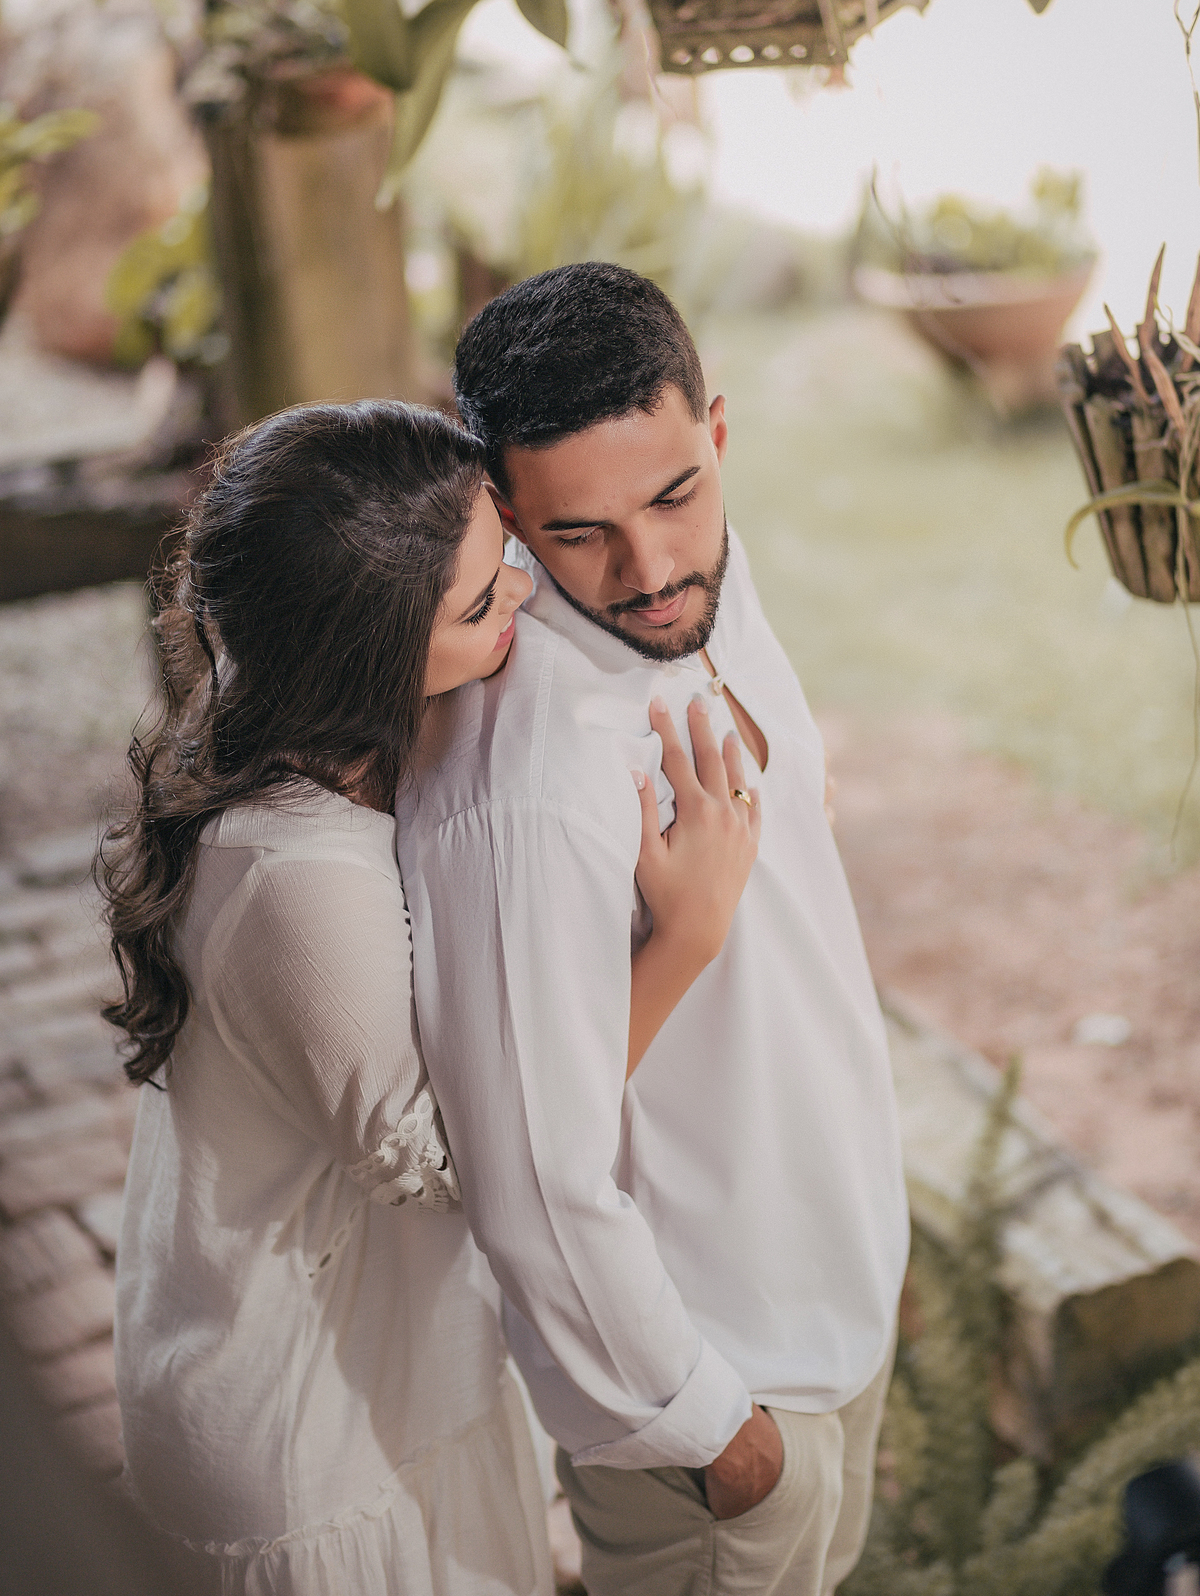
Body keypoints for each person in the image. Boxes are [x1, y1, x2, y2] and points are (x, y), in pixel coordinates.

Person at [99, 400, 760, 1596]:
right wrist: (684, 938)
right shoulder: (294, 875)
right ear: (367, 654)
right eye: (479, 603)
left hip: (394, 1361)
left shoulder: (305, 731)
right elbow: (456, 1161)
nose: (524, 595)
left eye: (505, 556)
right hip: (311, 1429)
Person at [398, 263, 911, 1596]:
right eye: (580, 535)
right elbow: (525, 1177)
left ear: (717, 434)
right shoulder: (532, 788)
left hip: (830, 1306)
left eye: (675, 495)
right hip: (720, 1401)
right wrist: (721, 1440)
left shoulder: (705, 588)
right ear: (508, 514)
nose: (650, 570)